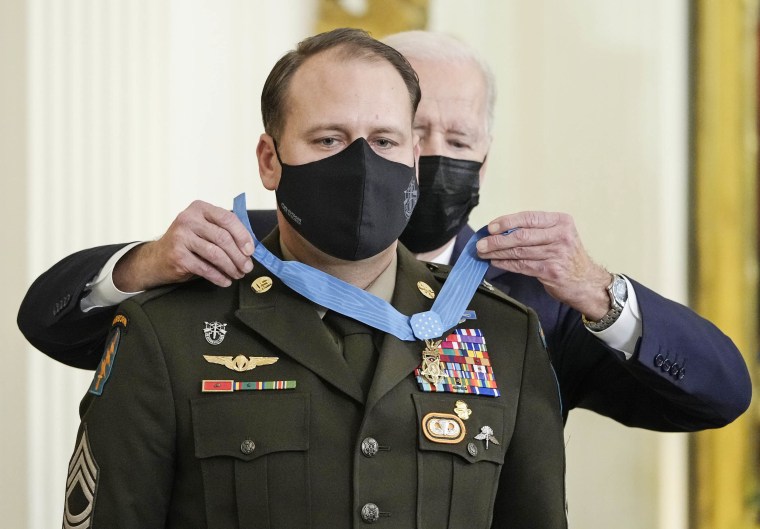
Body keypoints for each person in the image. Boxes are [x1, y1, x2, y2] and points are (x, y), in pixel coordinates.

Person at [18, 31, 751, 431]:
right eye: (409, 131)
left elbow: (719, 394)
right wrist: (143, 263)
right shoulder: (241, 251)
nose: (429, 156)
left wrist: (601, 293)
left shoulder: (532, 300)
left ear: (486, 160)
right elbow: (49, 321)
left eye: (456, 139)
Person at [56, 28, 567, 528]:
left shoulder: (506, 335)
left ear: (414, 160)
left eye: (385, 140)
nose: (362, 163)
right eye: (329, 139)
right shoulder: (166, 333)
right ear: (269, 160)